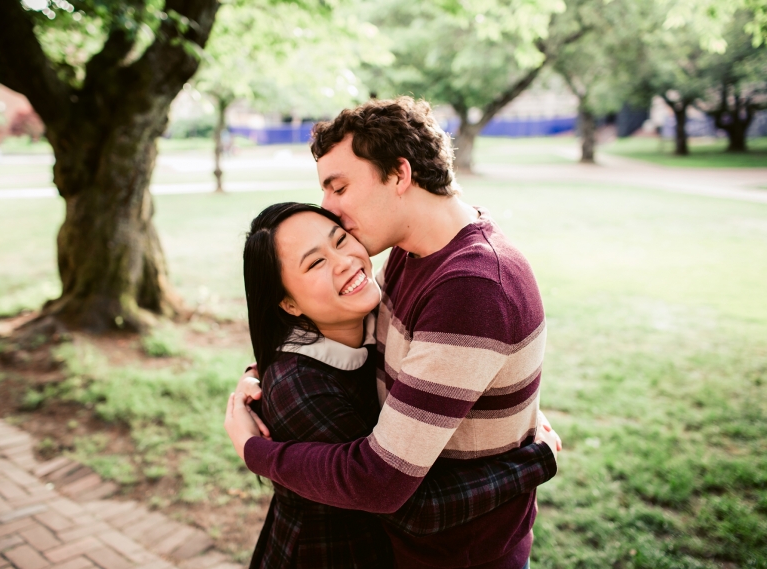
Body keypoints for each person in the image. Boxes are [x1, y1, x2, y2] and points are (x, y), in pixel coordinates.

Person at [226, 97, 558, 568]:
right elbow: (349, 333)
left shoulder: (472, 286)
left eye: (338, 187)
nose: (329, 208)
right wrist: (266, 376)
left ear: (399, 175)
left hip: (459, 555)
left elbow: (379, 480)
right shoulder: (412, 250)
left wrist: (255, 450)